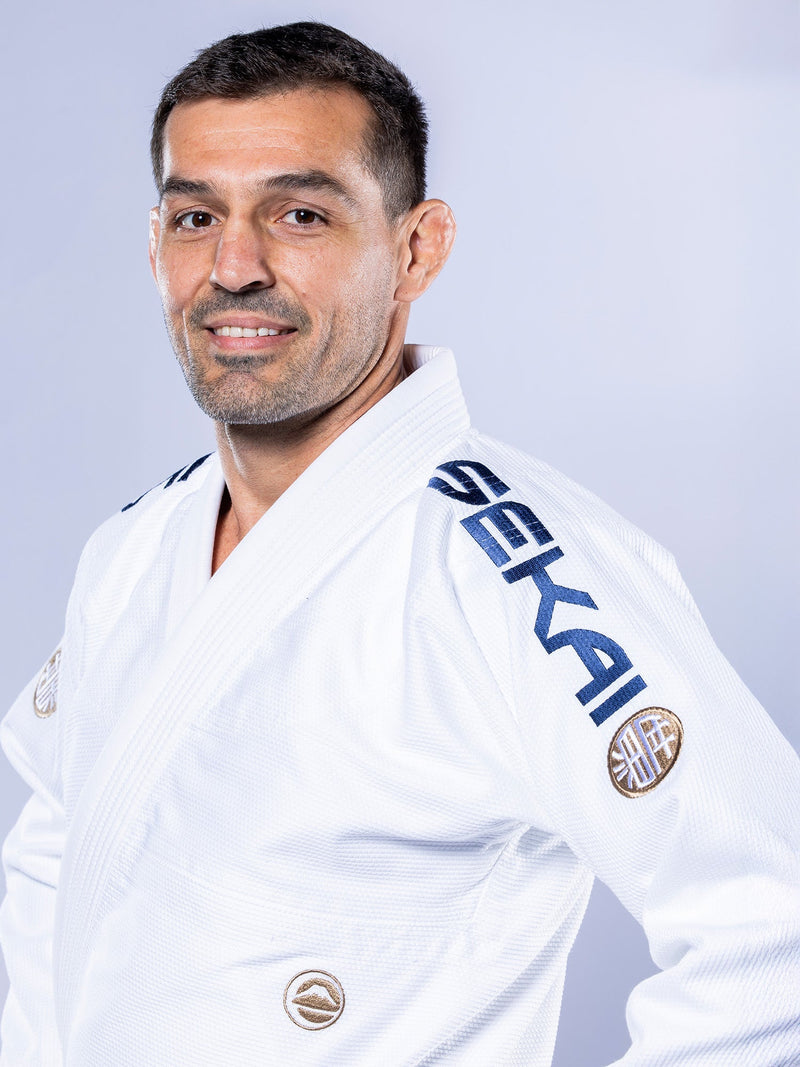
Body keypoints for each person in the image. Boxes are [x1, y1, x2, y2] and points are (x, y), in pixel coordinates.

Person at [1, 20, 798, 1066]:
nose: (233, 267)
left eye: (299, 214)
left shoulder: (516, 574)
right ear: (155, 247)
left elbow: (772, 928)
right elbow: (56, 848)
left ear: (416, 248)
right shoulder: (132, 550)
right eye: (197, 216)